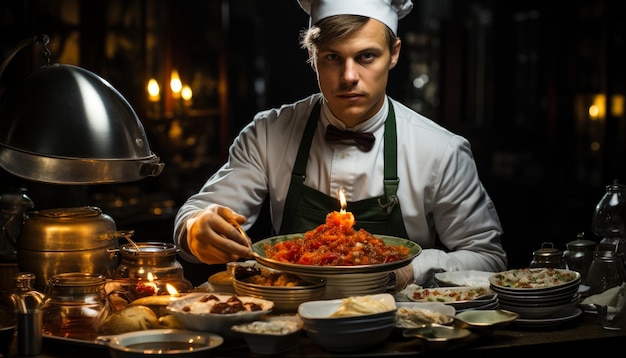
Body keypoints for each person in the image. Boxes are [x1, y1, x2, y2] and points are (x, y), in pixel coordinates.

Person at [174, 0, 507, 289]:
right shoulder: (266, 134)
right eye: (333, 57)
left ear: (394, 54)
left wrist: (410, 270)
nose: (349, 76)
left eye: (366, 56)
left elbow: (488, 259)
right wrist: (196, 229)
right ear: (312, 54)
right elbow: (193, 219)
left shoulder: (441, 150)